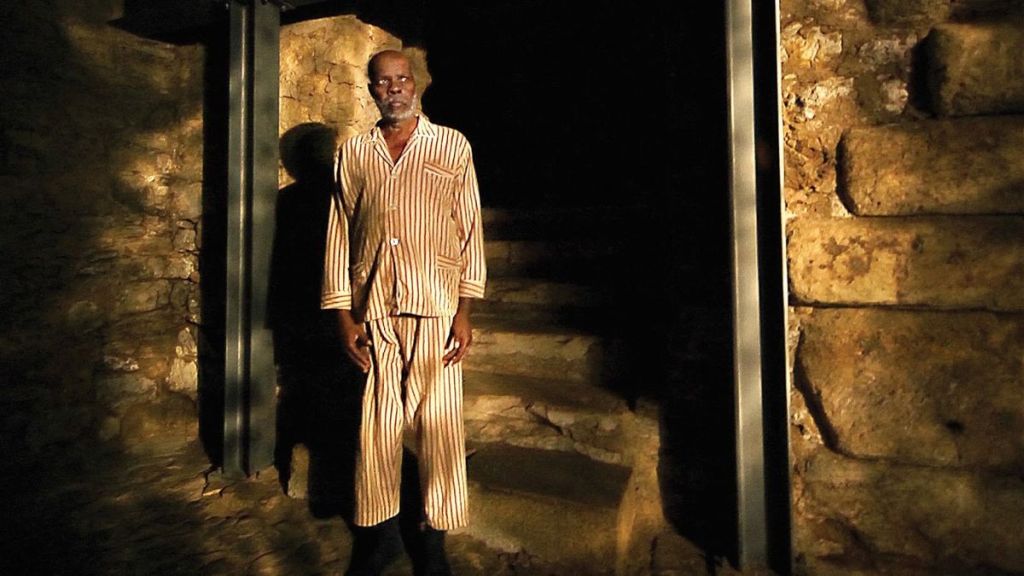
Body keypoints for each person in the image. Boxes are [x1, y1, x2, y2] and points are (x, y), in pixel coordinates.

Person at [321, 49, 487, 576]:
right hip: (375, 312)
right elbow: (339, 235)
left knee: (439, 431)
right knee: (376, 430)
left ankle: (433, 539)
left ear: (416, 84)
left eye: (402, 79)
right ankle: (380, 537)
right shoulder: (354, 154)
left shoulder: (451, 146)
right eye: (382, 81)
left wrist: (464, 309)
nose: (393, 88)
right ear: (370, 88)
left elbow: (469, 230)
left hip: (436, 308)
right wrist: (343, 317)